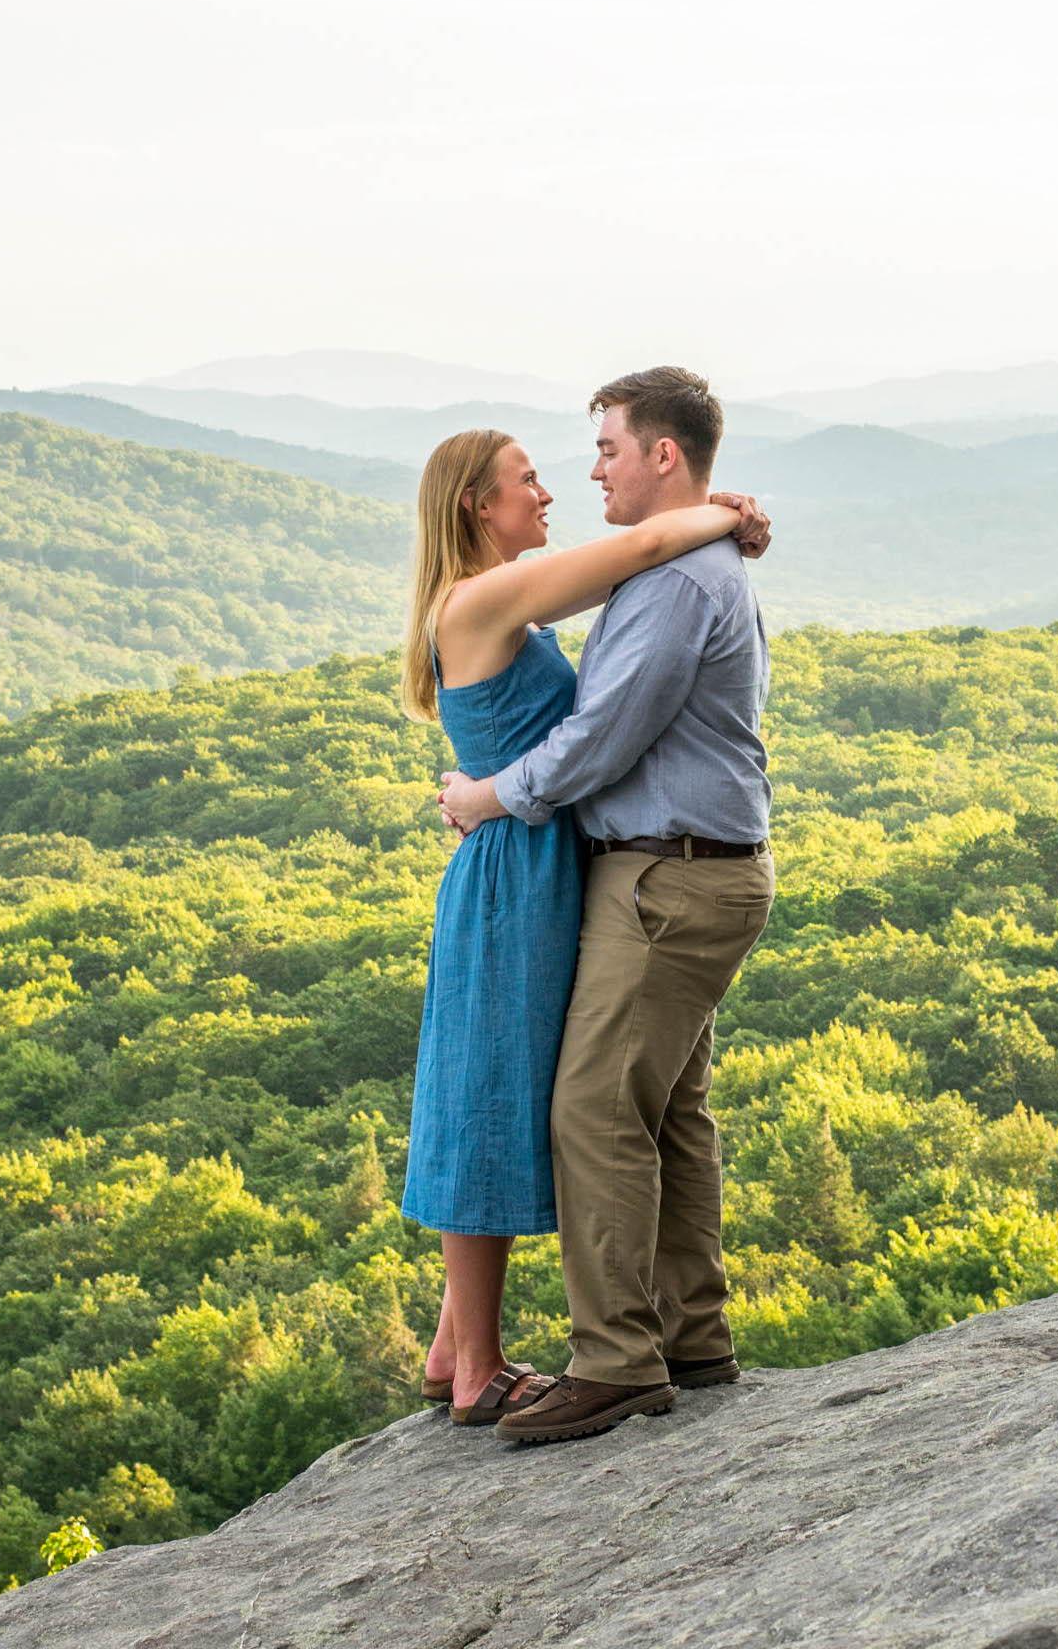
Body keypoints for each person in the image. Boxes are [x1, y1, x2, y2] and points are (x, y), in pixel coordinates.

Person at [398, 423, 771, 1427]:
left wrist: (711, 518)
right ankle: (485, 1357)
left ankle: (458, 1346)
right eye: (527, 480)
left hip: (554, 862)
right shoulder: (484, 596)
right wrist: (723, 513)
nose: (552, 490)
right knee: (496, 1095)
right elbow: (642, 551)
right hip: (518, 869)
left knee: (530, 1092)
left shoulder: (501, 599)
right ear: (476, 503)